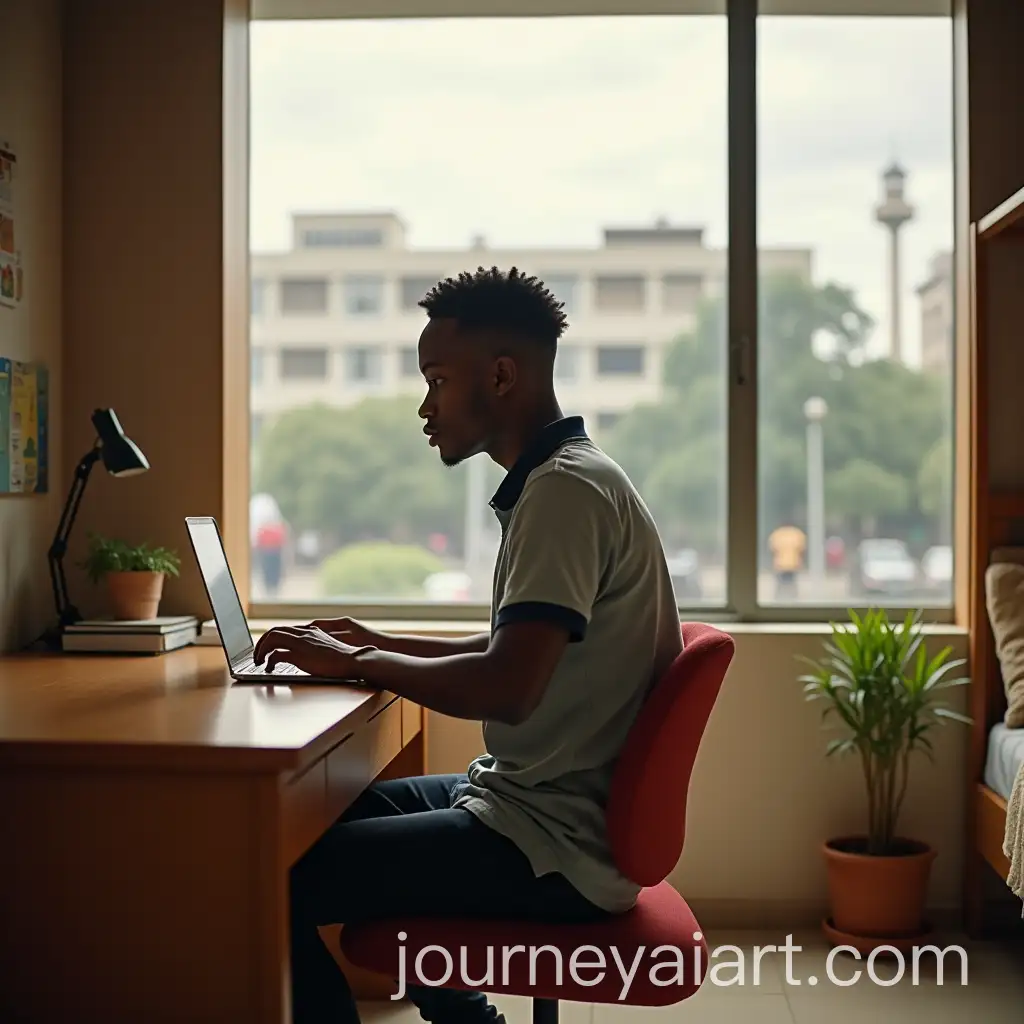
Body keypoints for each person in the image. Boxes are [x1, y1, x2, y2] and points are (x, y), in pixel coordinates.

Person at [254, 267, 684, 1024]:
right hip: (533, 807)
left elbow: (508, 687)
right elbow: (514, 645)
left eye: (438, 380)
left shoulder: (564, 493)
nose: (425, 406)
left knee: (267, 877)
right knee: (310, 823)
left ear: (502, 376)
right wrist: (376, 640)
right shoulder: (566, 479)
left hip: (553, 842)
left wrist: (357, 664)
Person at [768, 522, 806, 600]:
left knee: (780, 584)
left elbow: (772, 549)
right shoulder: (797, 533)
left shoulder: (777, 534)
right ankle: (792, 599)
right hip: (793, 563)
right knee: (792, 583)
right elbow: (801, 549)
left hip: (780, 564)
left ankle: (780, 599)